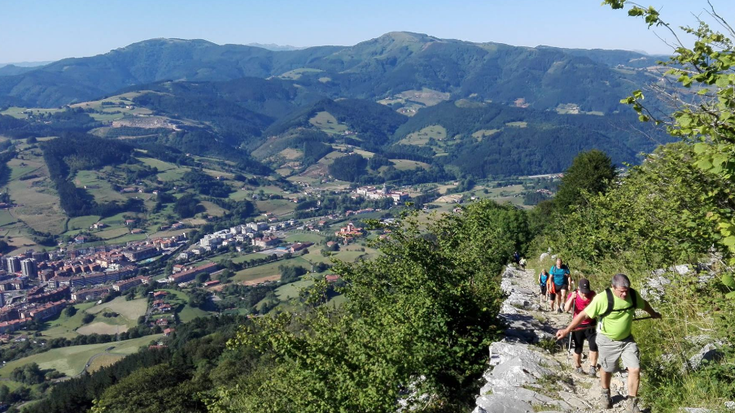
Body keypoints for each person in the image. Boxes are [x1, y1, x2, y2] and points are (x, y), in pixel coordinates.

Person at [555, 274, 661, 412]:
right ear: (613, 287)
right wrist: (567, 330)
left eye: (626, 290)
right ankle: (605, 392)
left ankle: (632, 403)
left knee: (635, 368)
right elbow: (584, 315)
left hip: (627, 340)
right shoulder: (603, 298)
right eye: (621, 291)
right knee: (607, 369)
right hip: (606, 340)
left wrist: (653, 313)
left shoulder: (633, 295)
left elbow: (644, 304)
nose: (624, 294)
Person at [564, 278, 598, 376]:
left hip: (591, 324)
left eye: (586, 291)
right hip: (578, 325)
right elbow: (566, 309)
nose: (585, 294)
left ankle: (593, 367)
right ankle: (578, 367)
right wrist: (571, 298)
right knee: (578, 348)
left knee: (594, 346)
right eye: (583, 292)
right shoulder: (573, 295)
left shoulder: (592, 294)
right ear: (578, 289)